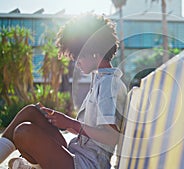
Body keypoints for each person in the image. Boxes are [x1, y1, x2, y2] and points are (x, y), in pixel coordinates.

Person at [0, 13, 127, 169]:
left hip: (87, 164)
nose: (75, 62)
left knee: (23, 132)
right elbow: (90, 134)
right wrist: (63, 122)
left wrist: (70, 122)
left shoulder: (108, 84)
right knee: (31, 112)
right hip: (76, 153)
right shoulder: (101, 81)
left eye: (76, 55)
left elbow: (111, 136)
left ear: (93, 51)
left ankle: (30, 166)